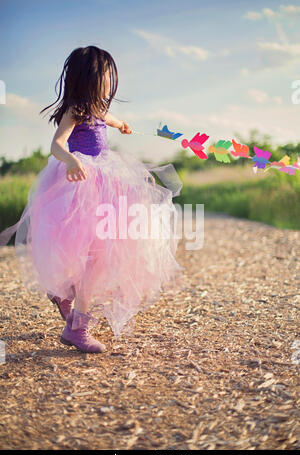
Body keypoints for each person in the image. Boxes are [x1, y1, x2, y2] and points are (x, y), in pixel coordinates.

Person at [0, 46, 186, 353]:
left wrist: (122, 125)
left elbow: (112, 120)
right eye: (106, 76)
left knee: (98, 251)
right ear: (89, 78)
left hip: (107, 182)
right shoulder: (77, 110)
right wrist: (71, 160)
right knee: (91, 254)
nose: (110, 82)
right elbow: (56, 144)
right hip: (81, 183)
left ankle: (65, 296)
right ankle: (77, 325)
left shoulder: (99, 110)